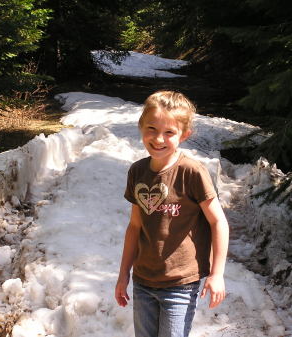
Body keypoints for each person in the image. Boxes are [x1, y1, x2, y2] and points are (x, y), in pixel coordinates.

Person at [115, 90, 229, 337]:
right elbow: (135, 226)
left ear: (184, 135)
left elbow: (218, 221)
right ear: (141, 127)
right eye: (152, 129)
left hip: (180, 283)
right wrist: (124, 274)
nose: (158, 139)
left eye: (169, 132)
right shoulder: (137, 172)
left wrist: (217, 273)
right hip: (143, 280)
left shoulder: (192, 172)